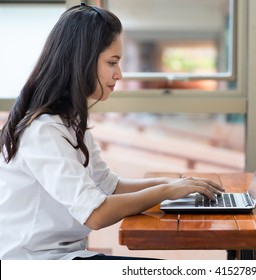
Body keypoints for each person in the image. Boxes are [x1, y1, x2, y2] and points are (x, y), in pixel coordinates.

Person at [0, 3, 224, 260]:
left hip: (66, 257)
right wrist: (166, 192)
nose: (119, 74)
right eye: (112, 62)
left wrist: (173, 184)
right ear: (81, 61)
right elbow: (96, 213)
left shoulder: (70, 122)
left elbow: (110, 186)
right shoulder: (43, 131)